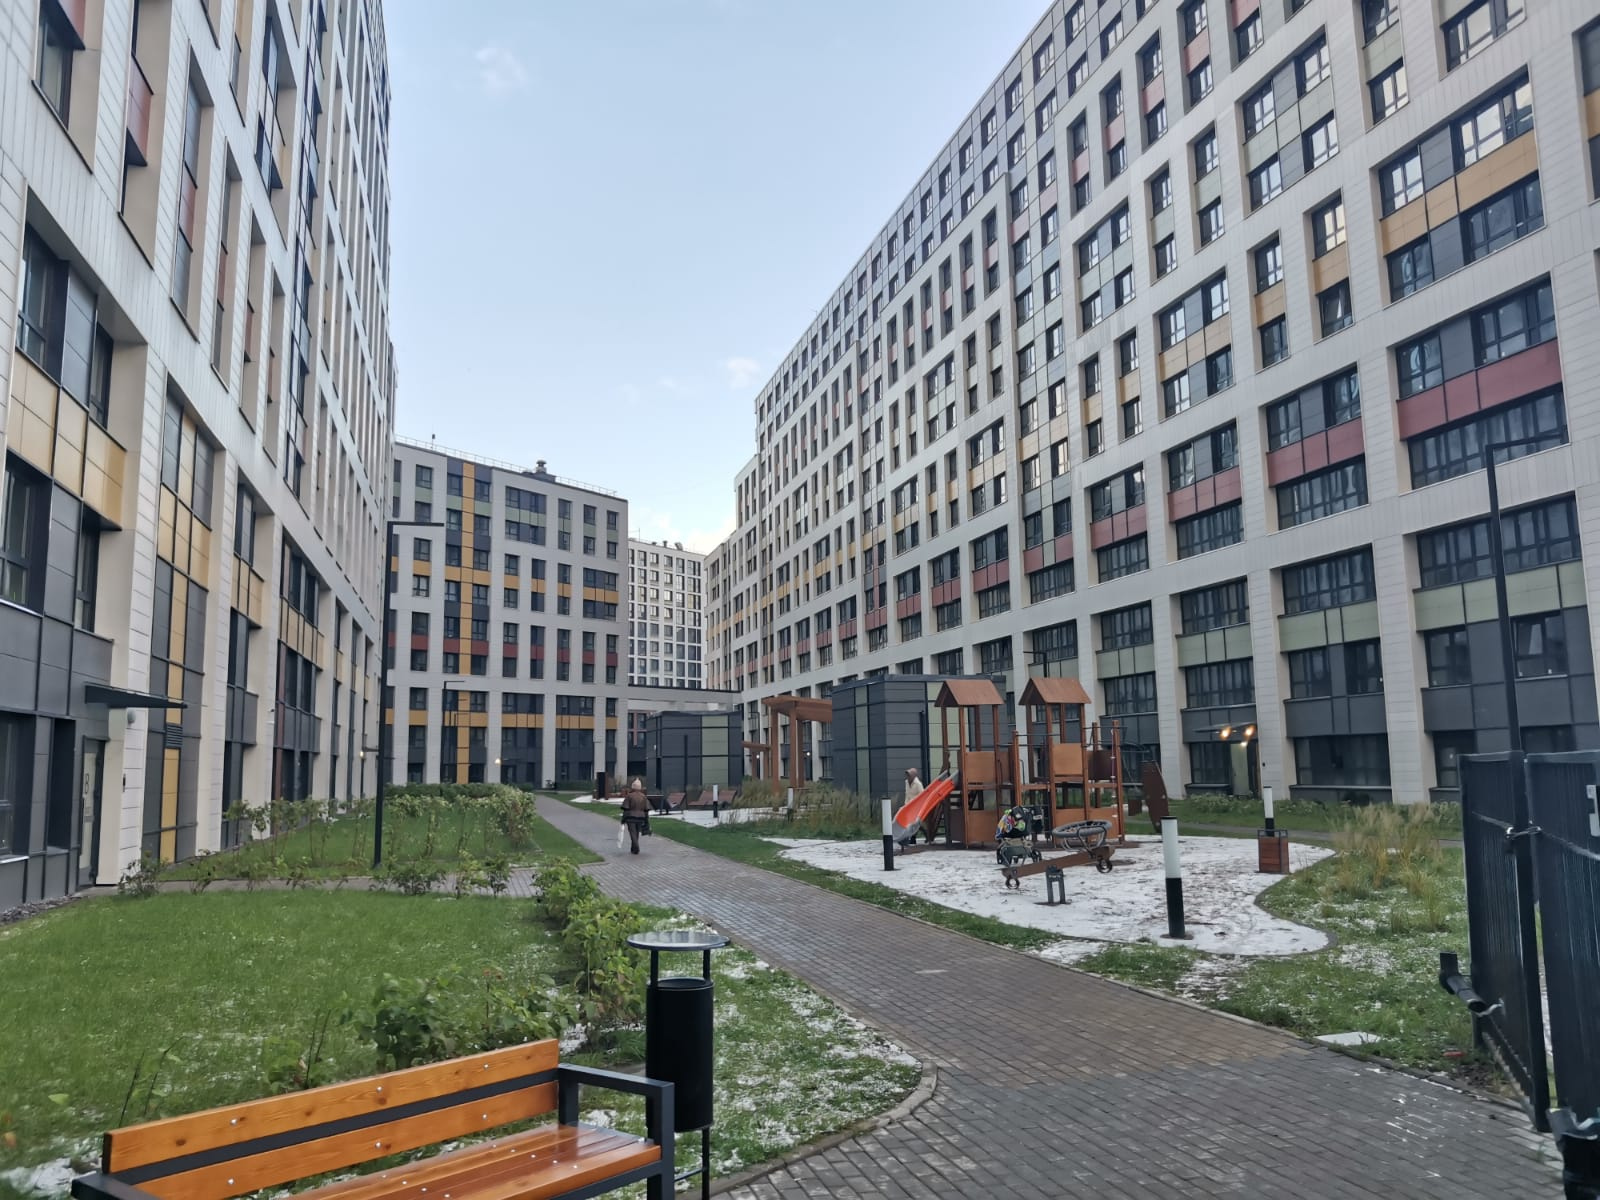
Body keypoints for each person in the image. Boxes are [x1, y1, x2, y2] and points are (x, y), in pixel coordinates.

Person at [621, 778, 651, 855]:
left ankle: (636, 847)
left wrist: (623, 819)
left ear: (633, 787)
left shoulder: (629, 796)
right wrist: (646, 820)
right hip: (641, 818)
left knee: (632, 833)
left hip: (631, 817)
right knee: (636, 833)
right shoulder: (643, 796)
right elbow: (646, 809)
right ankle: (633, 849)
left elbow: (626, 809)